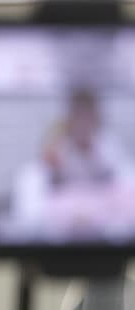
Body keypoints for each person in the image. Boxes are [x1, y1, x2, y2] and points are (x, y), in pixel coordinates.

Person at [10, 88, 135, 240]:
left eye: (87, 118)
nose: (83, 124)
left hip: (100, 202)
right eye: (78, 117)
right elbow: (45, 175)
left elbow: (119, 176)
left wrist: (91, 153)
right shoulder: (58, 142)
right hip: (65, 204)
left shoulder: (105, 143)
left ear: (96, 119)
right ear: (70, 119)